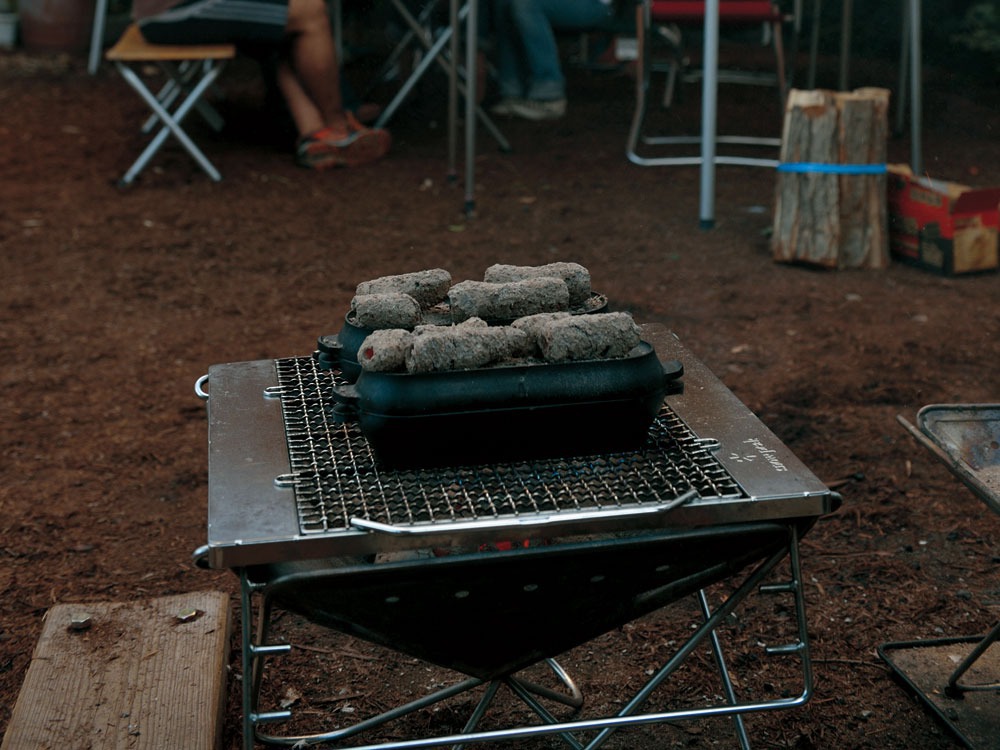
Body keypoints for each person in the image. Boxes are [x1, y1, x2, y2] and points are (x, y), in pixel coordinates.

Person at [132, 0, 391, 169]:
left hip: (169, 11)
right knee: (309, 13)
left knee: (276, 18)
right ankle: (339, 128)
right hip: (177, 11)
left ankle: (315, 133)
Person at [490, 0, 618, 120]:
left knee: (526, 4)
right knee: (503, 2)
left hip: (595, 5)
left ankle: (549, 96)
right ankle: (512, 92)